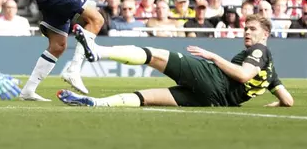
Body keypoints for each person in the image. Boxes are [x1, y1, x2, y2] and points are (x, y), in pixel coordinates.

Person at [58, 14, 294, 108]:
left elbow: (243, 75)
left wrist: (213, 57)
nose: (247, 33)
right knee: (147, 98)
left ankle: (98, 52)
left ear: (265, 35)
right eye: (245, 29)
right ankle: (96, 103)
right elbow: (288, 100)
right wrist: (277, 104)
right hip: (216, 101)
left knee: (154, 54)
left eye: (252, 29)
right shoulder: (271, 73)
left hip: (213, 79)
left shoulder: (260, 50)